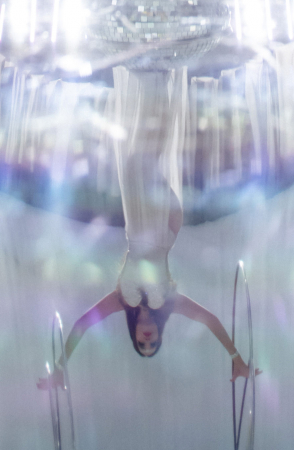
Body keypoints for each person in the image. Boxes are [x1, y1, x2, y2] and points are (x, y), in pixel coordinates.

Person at [38, 67, 257, 385]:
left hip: (138, 221)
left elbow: (82, 324)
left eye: (142, 344)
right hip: (163, 224)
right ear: (159, 334)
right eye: (154, 344)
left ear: (135, 334)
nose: (148, 340)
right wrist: (235, 358)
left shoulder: (121, 300)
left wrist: (60, 367)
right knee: (148, 154)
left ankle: (152, 80)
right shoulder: (168, 303)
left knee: (138, 157)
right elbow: (210, 320)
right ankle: (157, 79)